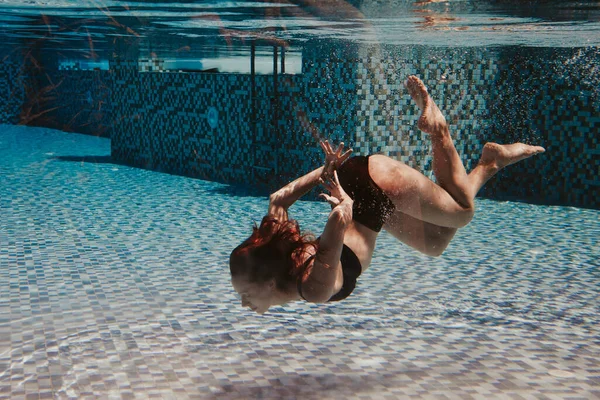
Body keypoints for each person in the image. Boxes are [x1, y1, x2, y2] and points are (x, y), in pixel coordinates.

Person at [229, 75, 545, 314]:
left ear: (268, 282)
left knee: (463, 212)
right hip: (371, 209)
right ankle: (490, 162)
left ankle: (438, 127)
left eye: (244, 294)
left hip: (368, 190)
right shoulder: (282, 262)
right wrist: (326, 171)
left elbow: (336, 228)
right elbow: (277, 200)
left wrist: (341, 199)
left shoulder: (311, 287)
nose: (243, 304)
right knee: (436, 243)